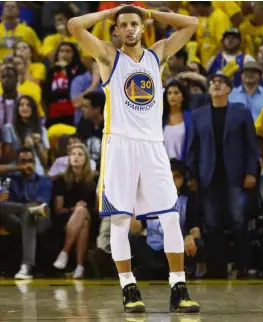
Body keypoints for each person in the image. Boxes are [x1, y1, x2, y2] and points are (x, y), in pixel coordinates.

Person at [69, 4, 199, 313]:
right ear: (116, 30)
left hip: (153, 146)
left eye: (133, 24)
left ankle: (178, 287)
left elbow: (191, 23)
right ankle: (128, 287)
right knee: (120, 219)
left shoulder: (158, 54)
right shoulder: (108, 56)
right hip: (121, 146)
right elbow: (75, 25)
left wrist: (149, 12)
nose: (128, 29)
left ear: (142, 28)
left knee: (170, 216)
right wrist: (109, 13)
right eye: (123, 24)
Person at [187, 73, 258, 278]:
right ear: (209, 90)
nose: (216, 84)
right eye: (213, 83)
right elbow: (193, 148)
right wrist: (192, 174)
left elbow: (251, 146)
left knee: (239, 221)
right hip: (208, 176)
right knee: (211, 223)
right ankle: (216, 268)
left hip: (235, 175)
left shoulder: (241, 112)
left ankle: (242, 267)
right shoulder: (199, 114)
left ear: (229, 89)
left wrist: (251, 172)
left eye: (221, 82)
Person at [0, 147, 52, 279]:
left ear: (35, 163)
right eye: (23, 161)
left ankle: (26, 266)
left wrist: (23, 209)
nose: (27, 165)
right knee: (20, 211)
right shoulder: (12, 179)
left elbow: (40, 206)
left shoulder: (44, 180)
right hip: (16, 220)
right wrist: (17, 168)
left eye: (30, 161)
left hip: (39, 219)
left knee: (29, 213)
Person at [53, 144, 97, 279]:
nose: (76, 157)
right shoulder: (61, 179)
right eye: (73, 154)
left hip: (91, 215)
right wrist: (74, 209)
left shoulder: (95, 179)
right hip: (67, 216)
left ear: (86, 159)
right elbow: (58, 209)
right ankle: (79, 267)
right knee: (82, 222)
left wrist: (80, 209)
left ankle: (64, 252)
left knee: (82, 211)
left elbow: (97, 207)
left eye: (80, 154)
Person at [2, 95, 49, 175]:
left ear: (33, 109)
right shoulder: (9, 128)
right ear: (17, 109)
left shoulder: (42, 130)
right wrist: (23, 146)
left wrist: (37, 145)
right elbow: (6, 159)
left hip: (36, 170)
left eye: (28, 105)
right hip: (15, 170)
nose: (24, 107)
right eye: (21, 105)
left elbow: (45, 162)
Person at [43, 42, 86, 128]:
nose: (64, 54)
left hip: (72, 112)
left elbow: (73, 90)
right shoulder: (51, 72)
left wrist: (67, 69)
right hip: (54, 112)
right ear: (57, 54)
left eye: (68, 51)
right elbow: (46, 94)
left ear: (74, 54)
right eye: (61, 51)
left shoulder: (79, 70)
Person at [163, 80, 191, 161]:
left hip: (184, 167)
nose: (172, 96)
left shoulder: (191, 117)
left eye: (176, 93)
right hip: (164, 167)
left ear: (183, 96)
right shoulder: (160, 119)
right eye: (169, 93)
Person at [77, 92, 105, 168]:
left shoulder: (111, 128)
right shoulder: (84, 122)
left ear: (97, 110)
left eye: (85, 107)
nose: (82, 110)